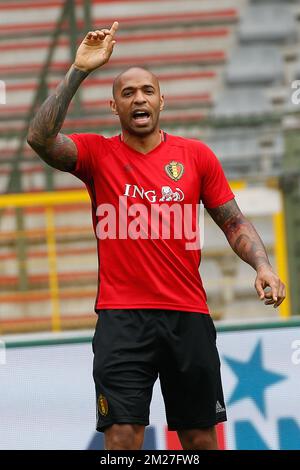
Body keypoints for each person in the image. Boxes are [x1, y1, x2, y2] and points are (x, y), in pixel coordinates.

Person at [27, 22, 286, 450]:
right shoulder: (97, 154)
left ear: (162, 100)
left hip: (188, 316)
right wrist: (79, 69)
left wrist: (263, 266)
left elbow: (234, 222)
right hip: (122, 320)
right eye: (127, 93)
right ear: (114, 107)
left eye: (147, 90)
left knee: (201, 439)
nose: (139, 98)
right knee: (124, 437)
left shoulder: (196, 156)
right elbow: (39, 138)